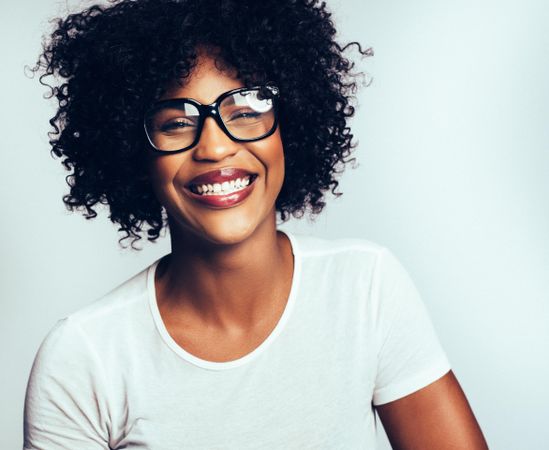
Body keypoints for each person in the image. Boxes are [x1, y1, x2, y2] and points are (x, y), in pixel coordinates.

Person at [23, 0, 489, 448]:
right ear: (135, 154)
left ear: (293, 125)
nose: (215, 147)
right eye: (176, 123)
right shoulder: (84, 358)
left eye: (244, 111)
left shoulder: (364, 287)